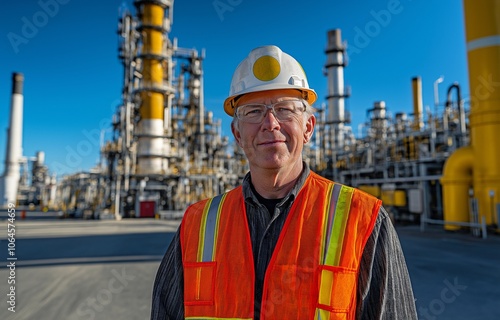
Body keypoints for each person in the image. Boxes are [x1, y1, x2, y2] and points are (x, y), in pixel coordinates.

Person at [151, 45, 417, 320]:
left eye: (284, 109)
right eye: (253, 111)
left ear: (308, 128)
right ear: (237, 133)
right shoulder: (197, 225)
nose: (270, 123)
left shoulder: (364, 220)